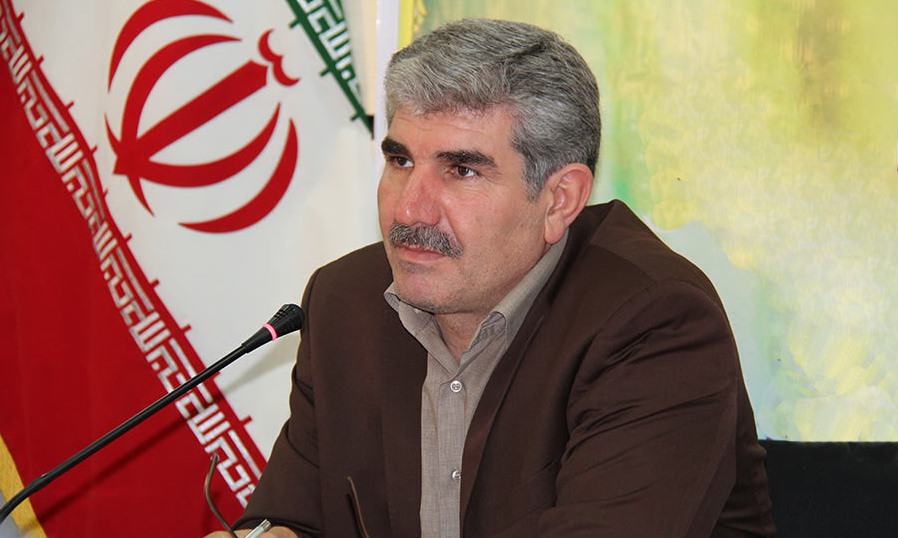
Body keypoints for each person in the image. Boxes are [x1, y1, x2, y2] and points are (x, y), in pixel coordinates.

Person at [206, 18, 775, 538]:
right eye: (400, 161)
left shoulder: (656, 323)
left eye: (461, 170)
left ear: (560, 199)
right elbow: (293, 519)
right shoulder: (344, 302)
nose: (409, 209)